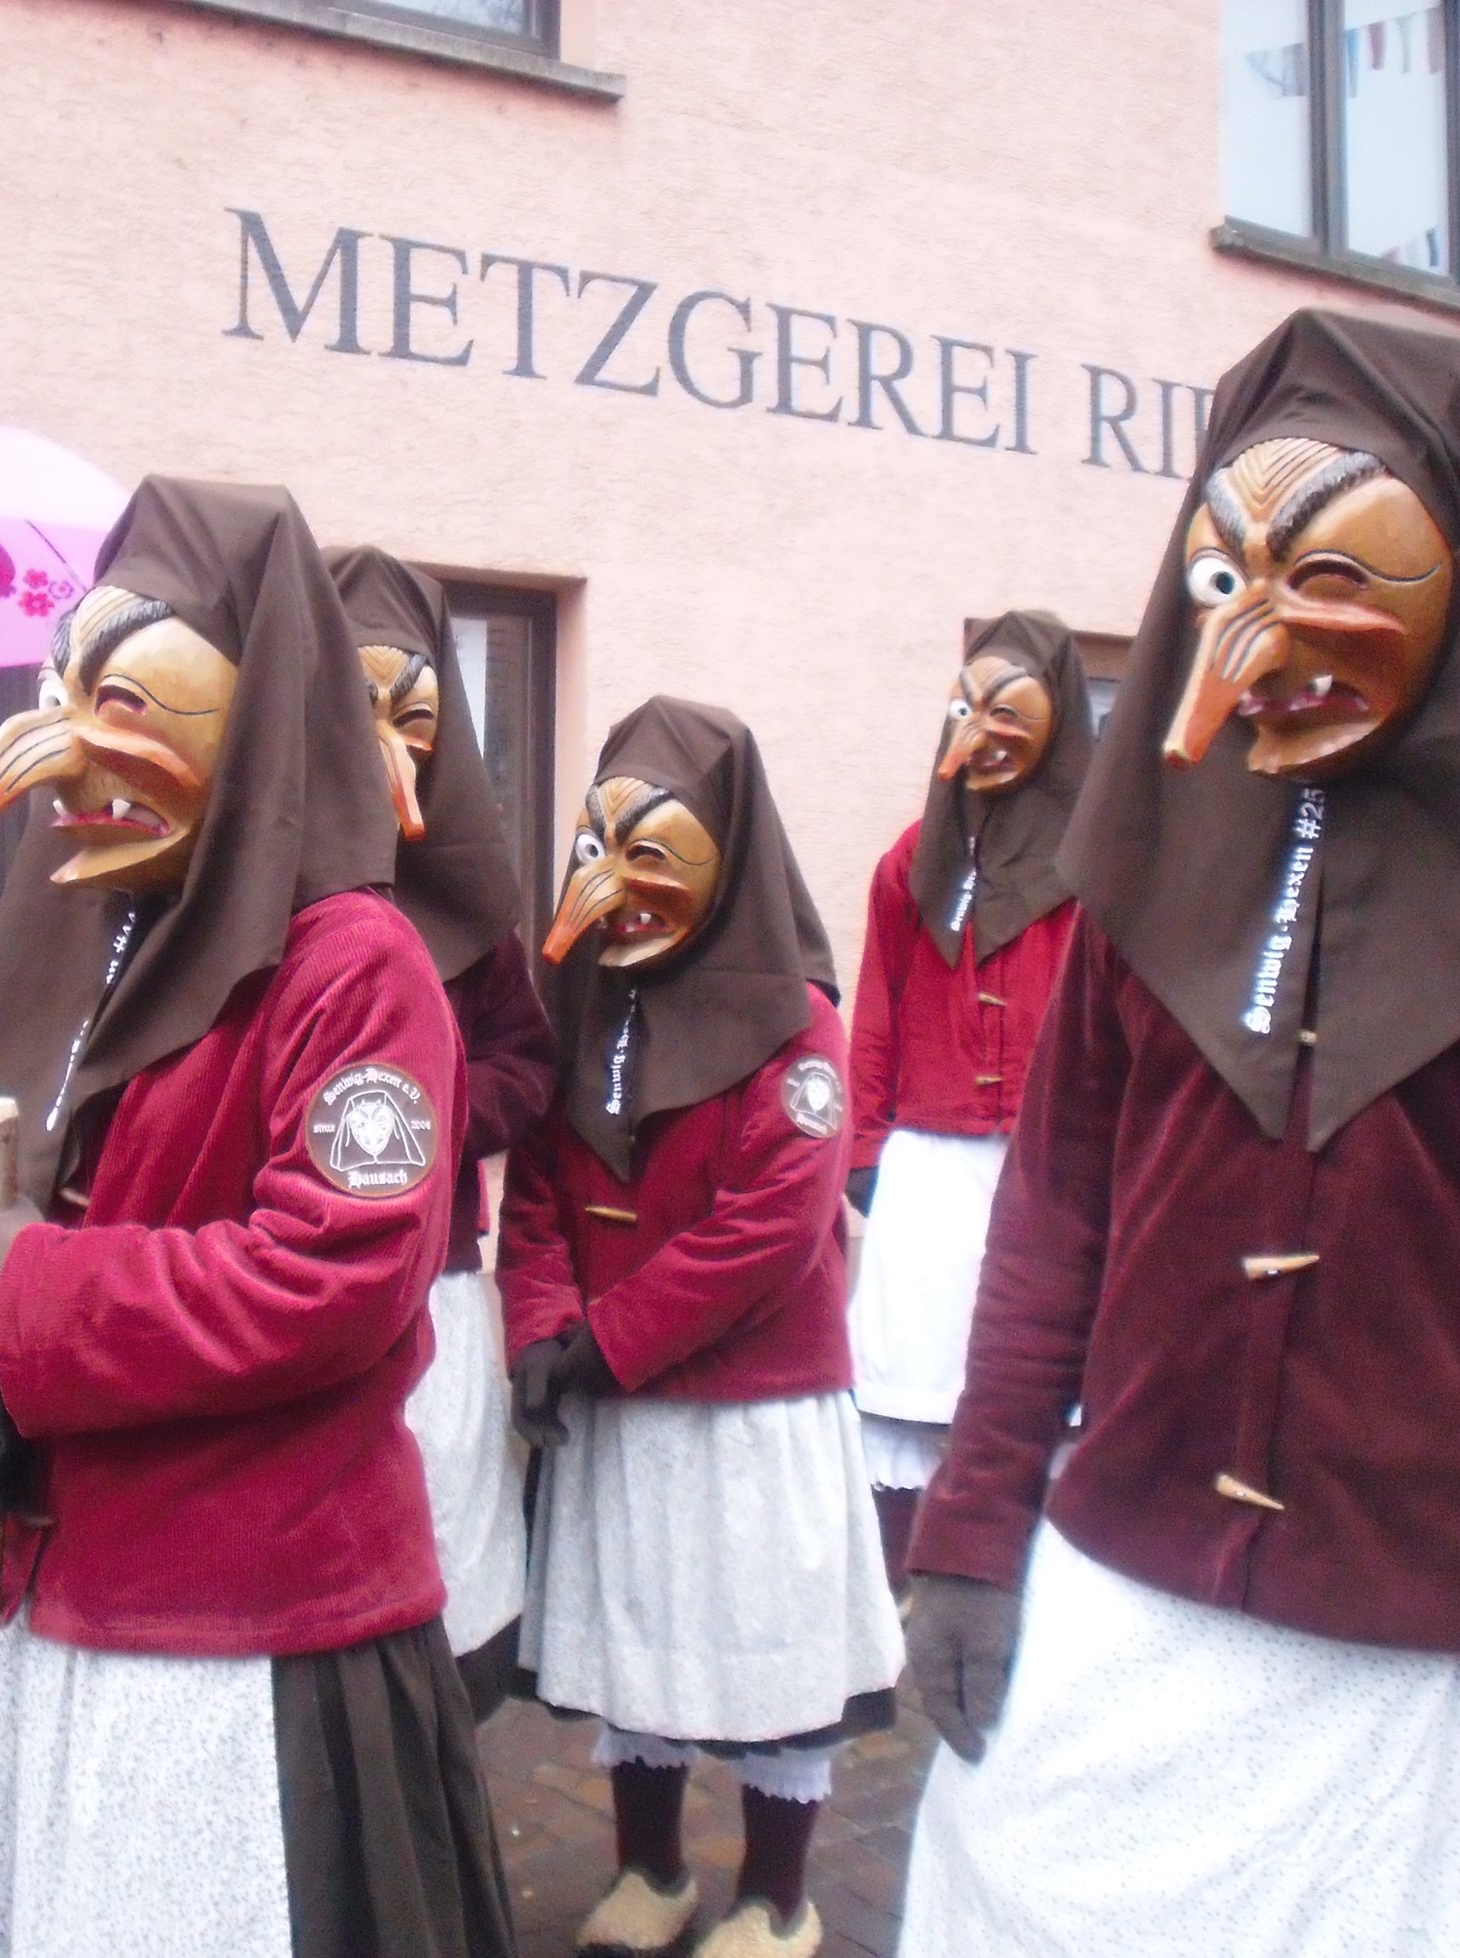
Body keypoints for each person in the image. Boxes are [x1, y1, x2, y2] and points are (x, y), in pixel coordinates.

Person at [893, 310, 1460, 1957]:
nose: (1269, 636)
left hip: (1431, 1674)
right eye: (1226, 578)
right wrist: (972, 1529)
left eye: (1336, 575)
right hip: (1116, 1609)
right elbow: (1051, 1228)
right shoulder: (1141, 896)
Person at [0, 478, 514, 1958]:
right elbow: (66, 1200)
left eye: (124, 702)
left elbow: (332, 1277)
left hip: (248, 1636)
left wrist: (23, 1287)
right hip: (80, 1597)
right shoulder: (113, 942)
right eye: (61, 695)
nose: (68, 753)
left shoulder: (354, 964)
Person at [499, 698, 902, 1958]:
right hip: (621, 1403)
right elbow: (536, 1190)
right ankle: (652, 1869)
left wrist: (607, 1337)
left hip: (750, 1409)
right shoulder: (583, 1005)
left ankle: (776, 1895)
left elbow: (772, 1226)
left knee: (769, 1650)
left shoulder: (796, 1021)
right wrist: (538, 1326)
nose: (620, 889)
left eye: (653, 853)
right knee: (642, 1637)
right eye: (599, 850)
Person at [327, 543, 556, 1717]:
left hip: (439, 1282)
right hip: (296, 1288)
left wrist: (431, 1111)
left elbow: (529, 1062)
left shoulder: (473, 913)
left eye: (408, 714)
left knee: (442, 1559)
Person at [843, 613, 1089, 1593]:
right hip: (929, 1164)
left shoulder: (1103, 863)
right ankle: (921, 1586)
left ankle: (1041, 1588)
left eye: (1010, 712)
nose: (985, 735)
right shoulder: (914, 862)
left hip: (1055, 1163)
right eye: (969, 710)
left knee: (1047, 1387)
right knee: (921, 1389)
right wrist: (865, 1145)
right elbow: (878, 1006)